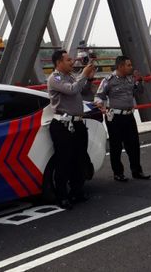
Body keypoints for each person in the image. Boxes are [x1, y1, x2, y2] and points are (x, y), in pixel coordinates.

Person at [47, 49, 96, 209]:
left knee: (80, 158)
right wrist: (83, 74)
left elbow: (83, 91)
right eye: (68, 60)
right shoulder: (55, 78)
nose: (72, 62)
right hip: (63, 125)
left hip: (77, 123)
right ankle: (62, 196)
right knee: (64, 160)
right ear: (59, 62)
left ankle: (77, 191)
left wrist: (88, 77)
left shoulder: (70, 77)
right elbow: (72, 89)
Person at [94, 55, 151, 182]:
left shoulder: (130, 79)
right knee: (116, 146)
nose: (131, 67)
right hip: (115, 118)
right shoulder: (108, 80)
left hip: (129, 115)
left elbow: (139, 92)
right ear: (120, 66)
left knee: (134, 144)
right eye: (128, 65)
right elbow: (99, 96)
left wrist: (139, 81)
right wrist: (100, 105)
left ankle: (137, 171)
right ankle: (118, 173)